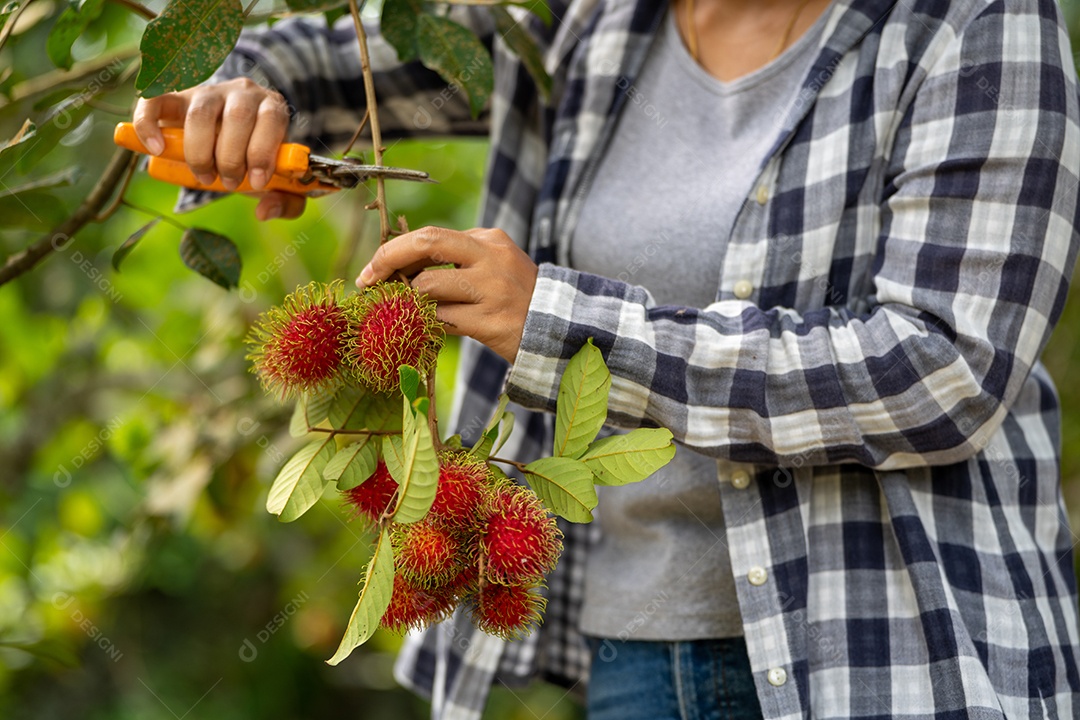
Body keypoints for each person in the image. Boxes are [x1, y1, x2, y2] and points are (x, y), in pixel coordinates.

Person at [134, 0, 1080, 717]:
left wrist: (559, 320)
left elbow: (940, 370)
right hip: (637, 658)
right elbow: (339, 66)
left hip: (899, 664)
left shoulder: (974, 28)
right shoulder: (588, 22)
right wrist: (233, 84)